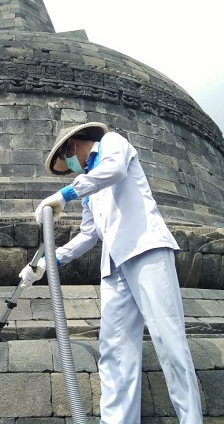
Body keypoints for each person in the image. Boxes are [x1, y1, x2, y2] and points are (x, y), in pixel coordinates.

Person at [19, 122, 203, 423]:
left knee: (169, 343)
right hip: (114, 268)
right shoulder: (90, 184)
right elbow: (88, 236)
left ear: (73, 145)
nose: (72, 170)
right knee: (115, 352)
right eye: (68, 171)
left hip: (146, 250)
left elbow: (115, 171)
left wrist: (64, 194)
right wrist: (47, 261)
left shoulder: (112, 144)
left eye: (68, 163)